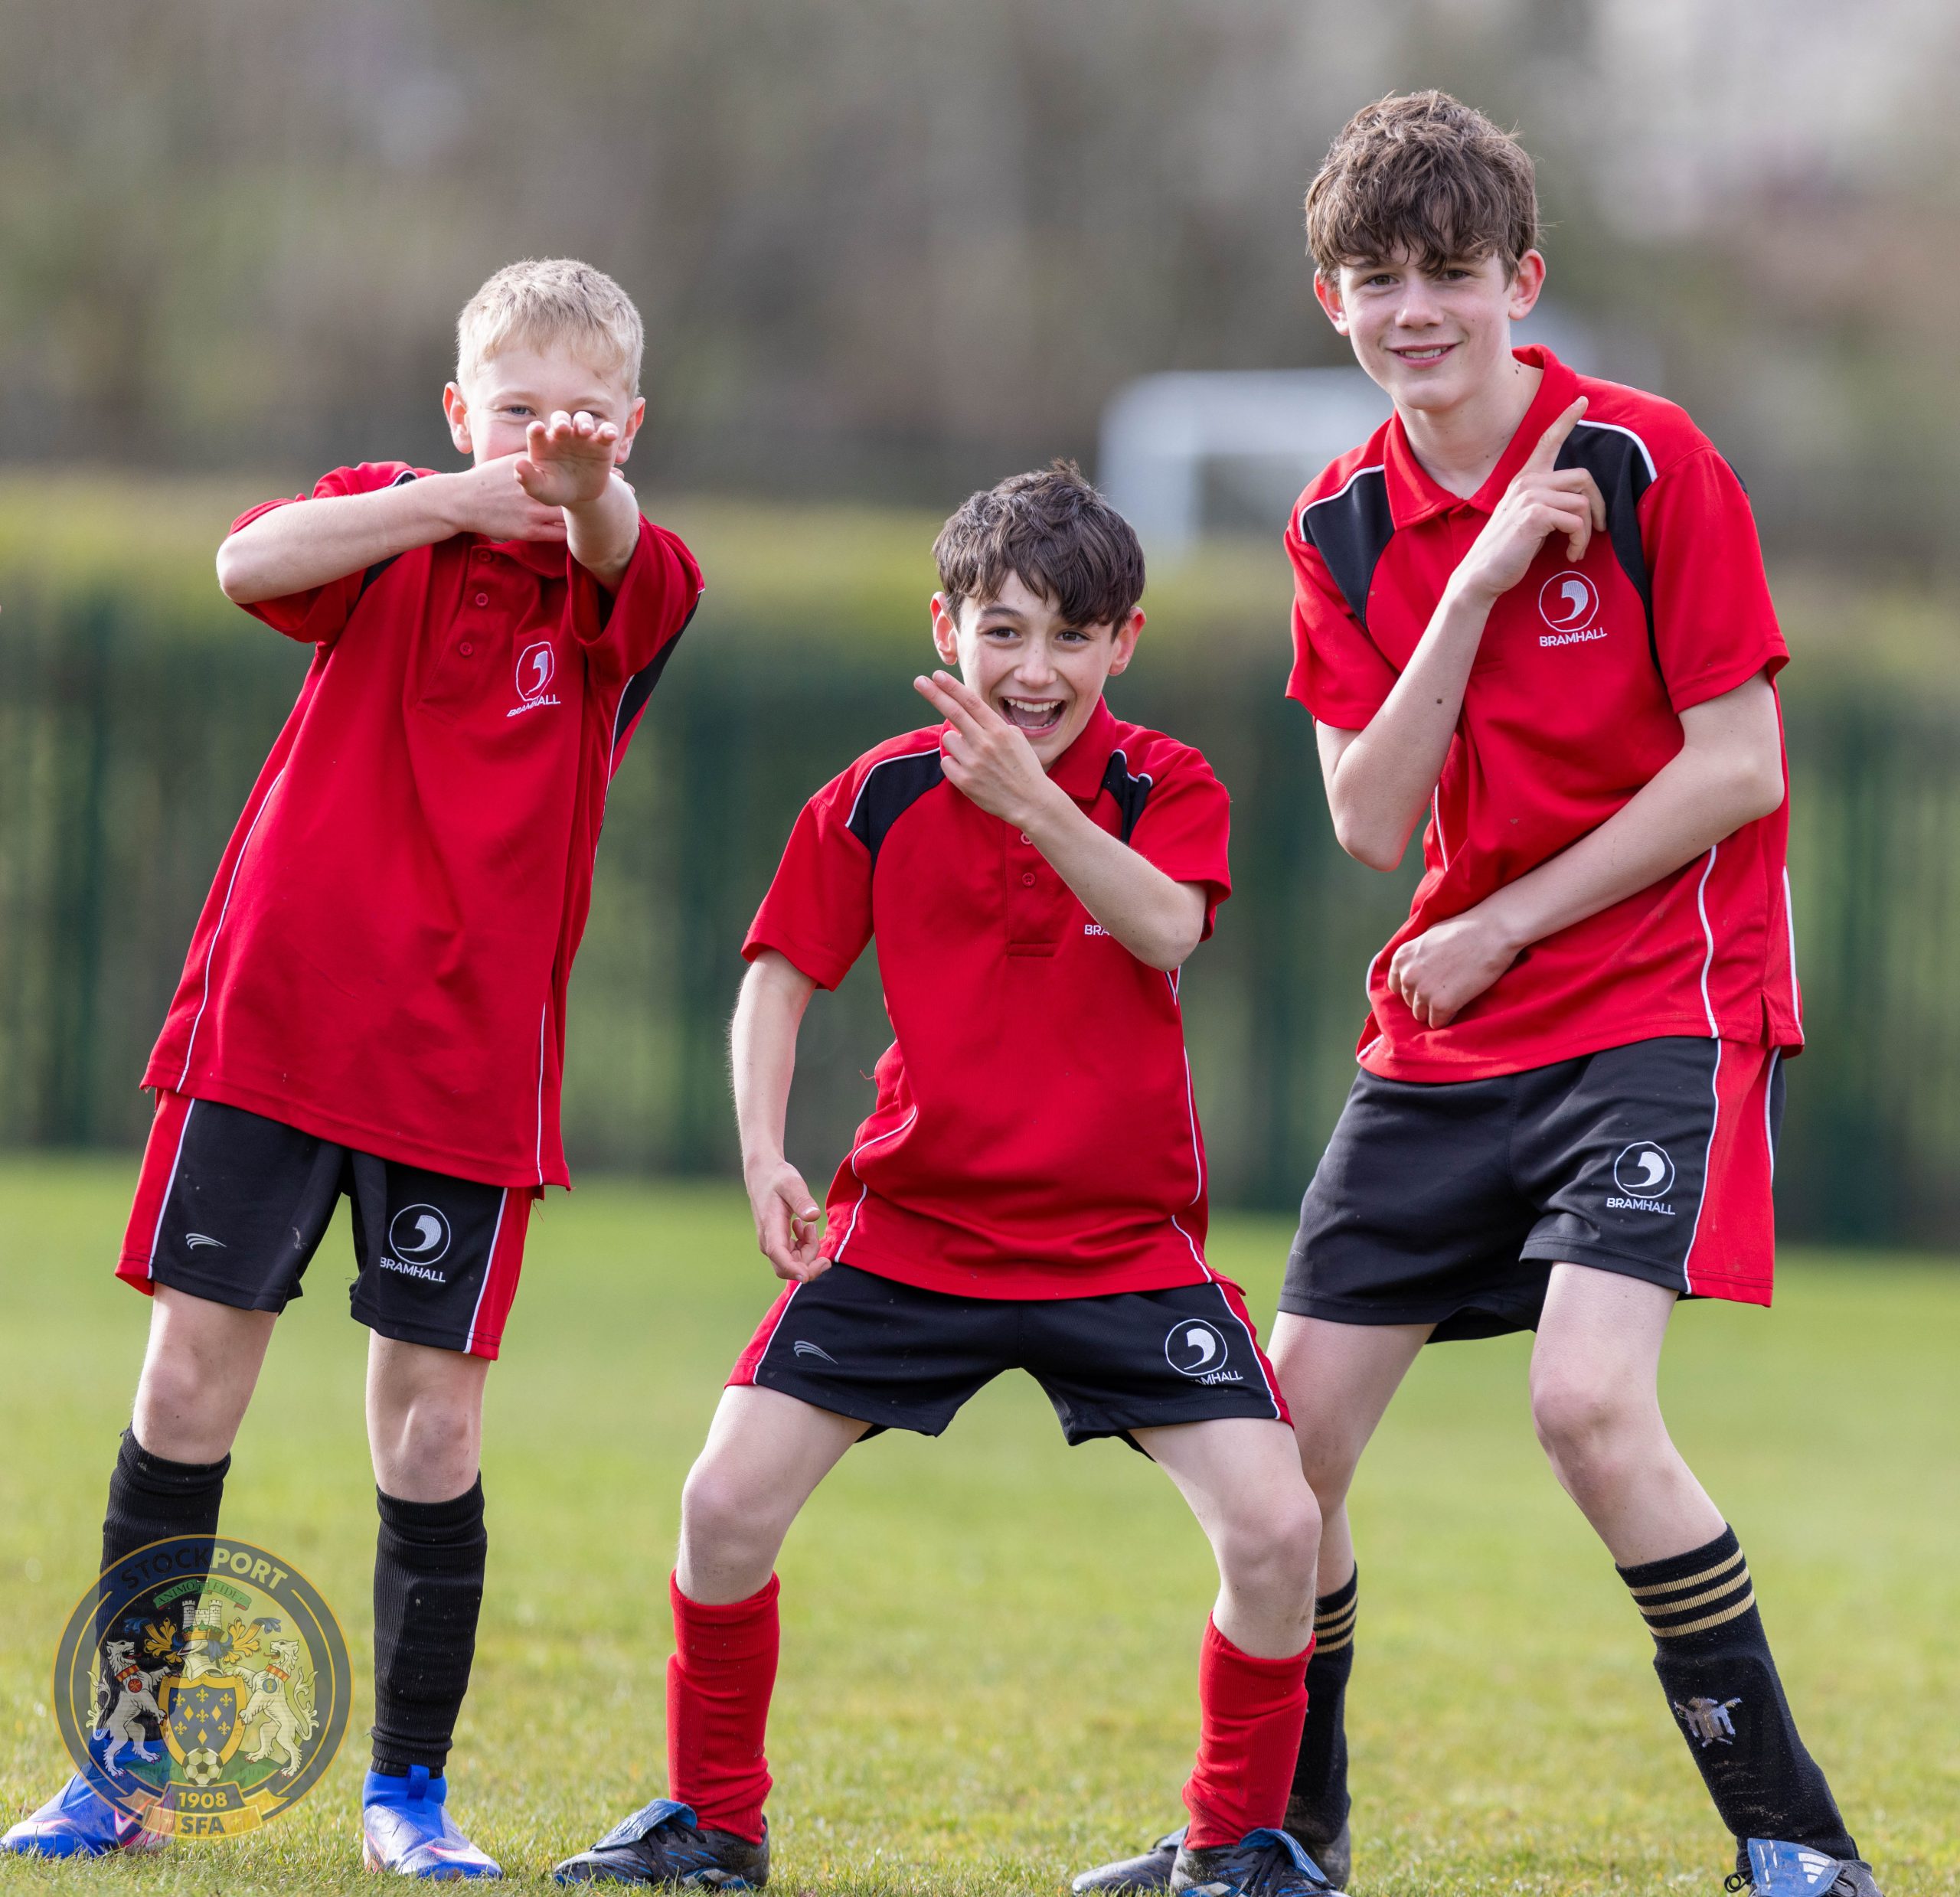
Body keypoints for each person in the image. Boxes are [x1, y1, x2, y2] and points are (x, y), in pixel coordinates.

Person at [1074, 92, 1880, 1897]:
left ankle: (1796, 1849)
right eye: (1375, 278)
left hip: (1653, 1003)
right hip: (1448, 1027)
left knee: (1587, 1409)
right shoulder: (1340, 524)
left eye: (1447, 272)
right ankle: (1284, 1840)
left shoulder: (1657, 463)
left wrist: (1506, 927)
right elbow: (1369, 817)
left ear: (1521, 280)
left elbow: (1736, 767)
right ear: (1327, 301)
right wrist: (1481, 582)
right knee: (1282, 1452)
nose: (1411, 309)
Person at [2, 259, 703, 1878]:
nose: (548, 443)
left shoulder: (631, 577)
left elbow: (611, 544)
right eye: (514, 411)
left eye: (579, 416)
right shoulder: (386, 519)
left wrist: (580, 497)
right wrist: (439, 499)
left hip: (461, 1073)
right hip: (271, 1030)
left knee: (428, 1433)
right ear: (461, 412)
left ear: (628, 427)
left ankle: (408, 1796)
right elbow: (246, 558)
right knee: (184, 1384)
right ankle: (122, 1769)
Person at [551, 464, 1340, 1896]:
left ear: (1124, 645)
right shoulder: (878, 795)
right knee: (724, 1503)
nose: (1034, 669)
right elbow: (779, 977)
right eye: (1004, 631)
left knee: (1280, 1526)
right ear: (948, 626)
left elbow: (1165, 927)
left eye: (1070, 636)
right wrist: (760, 1147)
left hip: (1118, 1243)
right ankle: (714, 1824)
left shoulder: (1169, 784)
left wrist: (1032, 801)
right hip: (911, 1232)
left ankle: (1233, 1847)